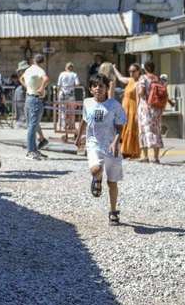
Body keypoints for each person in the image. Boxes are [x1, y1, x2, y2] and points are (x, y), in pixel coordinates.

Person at [75, 74, 127, 226]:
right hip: (94, 143)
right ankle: (97, 178)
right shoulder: (87, 103)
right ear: (90, 89)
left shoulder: (114, 105)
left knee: (112, 182)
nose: (98, 88)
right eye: (94, 86)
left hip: (112, 146)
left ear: (106, 88)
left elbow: (120, 126)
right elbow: (85, 120)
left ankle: (113, 211)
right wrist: (79, 137)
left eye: (101, 86)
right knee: (95, 169)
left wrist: (116, 142)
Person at [21, 54, 50, 160]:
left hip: (28, 97)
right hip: (36, 98)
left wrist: (28, 87)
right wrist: (42, 88)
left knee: (31, 125)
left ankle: (33, 149)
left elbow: (21, 78)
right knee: (33, 126)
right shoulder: (40, 70)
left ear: (34, 60)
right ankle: (30, 151)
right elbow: (46, 79)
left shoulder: (29, 69)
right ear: (43, 62)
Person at [136, 61, 164, 163]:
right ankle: (156, 158)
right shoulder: (158, 79)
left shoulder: (143, 78)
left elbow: (141, 92)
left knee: (144, 131)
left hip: (145, 109)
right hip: (156, 109)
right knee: (156, 131)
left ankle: (145, 156)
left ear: (145, 69)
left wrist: (139, 92)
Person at [113, 63, 142, 159]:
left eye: (133, 71)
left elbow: (139, 99)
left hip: (133, 109)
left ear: (138, 71)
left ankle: (132, 152)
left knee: (131, 130)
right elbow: (120, 78)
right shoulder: (130, 80)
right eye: (130, 71)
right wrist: (114, 69)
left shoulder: (139, 83)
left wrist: (138, 112)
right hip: (125, 109)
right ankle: (125, 151)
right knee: (124, 129)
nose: (131, 73)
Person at [57, 62, 81, 137]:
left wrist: (58, 94)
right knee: (72, 111)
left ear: (65, 67)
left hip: (63, 93)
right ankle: (71, 125)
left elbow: (59, 85)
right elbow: (77, 84)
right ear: (72, 68)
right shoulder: (74, 74)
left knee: (62, 110)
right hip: (71, 94)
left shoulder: (62, 74)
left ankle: (63, 126)